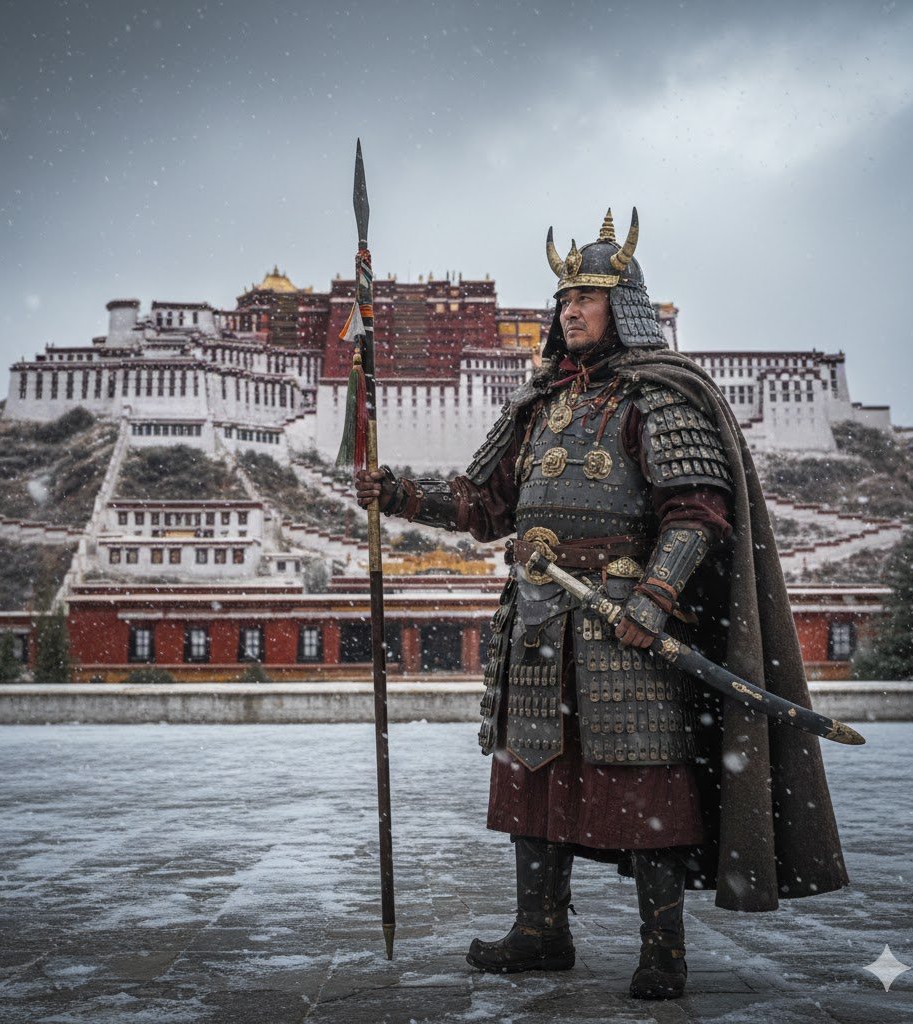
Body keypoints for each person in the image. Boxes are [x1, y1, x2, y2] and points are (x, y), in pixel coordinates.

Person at [355, 208, 848, 1000]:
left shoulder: (658, 396)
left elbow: (696, 511)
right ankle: (540, 930)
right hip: (537, 617)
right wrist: (401, 495)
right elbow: (484, 504)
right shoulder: (538, 403)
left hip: (622, 621)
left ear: (625, 307)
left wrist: (653, 597)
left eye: (585, 298)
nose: (569, 312)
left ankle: (663, 950)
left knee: (645, 780)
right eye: (563, 300)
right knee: (531, 773)